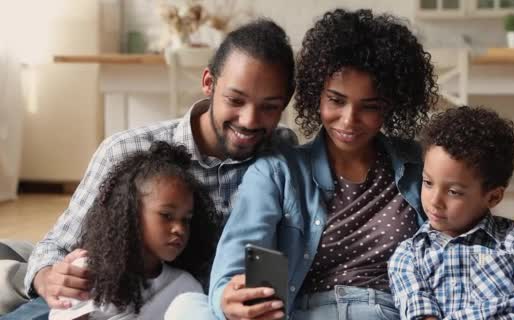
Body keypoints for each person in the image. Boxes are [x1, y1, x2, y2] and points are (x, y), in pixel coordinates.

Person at [1, 18, 295, 320]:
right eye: (235, 100)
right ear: (208, 83)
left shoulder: (283, 152)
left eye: (270, 107)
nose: (249, 120)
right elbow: (57, 245)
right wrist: (47, 277)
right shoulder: (126, 150)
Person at [200, 8, 438, 320]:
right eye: (336, 101)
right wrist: (225, 301)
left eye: (370, 107)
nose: (349, 121)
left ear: (392, 104)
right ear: (316, 95)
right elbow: (231, 270)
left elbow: (466, 239)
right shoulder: (278, 172)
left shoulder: (420, 166)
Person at [387, 106, 514, 319]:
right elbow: (420, 313)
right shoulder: (409, 256)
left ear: (493, 197)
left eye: (453, 192)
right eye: (427, 182)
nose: (434, 201)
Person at [48, 141, 219, 319]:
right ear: (132, 212)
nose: (179, 229)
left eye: (186, 220)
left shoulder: (186, 288)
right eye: (167, 215)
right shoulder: (86, 273)